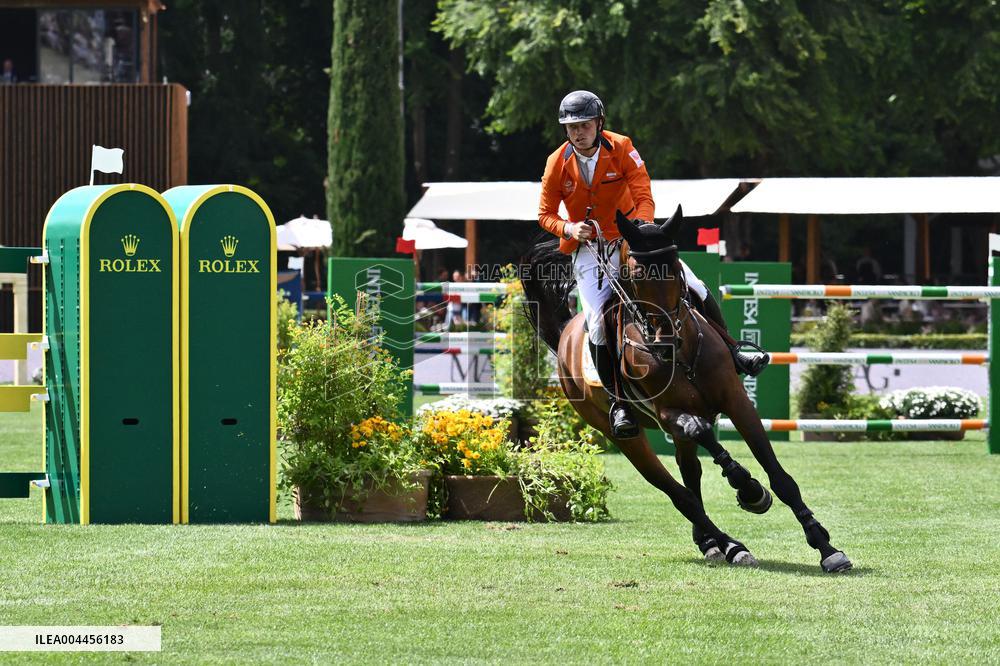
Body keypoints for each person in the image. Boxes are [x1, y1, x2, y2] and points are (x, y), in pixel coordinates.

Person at [538, 90, 766, 438]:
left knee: (696, 286)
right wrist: (569, 227)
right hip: (588, 248)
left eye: (583, 125)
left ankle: (735, 352)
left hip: (634, 240)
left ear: (599, 123)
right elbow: (545, 214)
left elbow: (643, 192)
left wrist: (642, 231)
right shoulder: (557, 161)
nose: (577, 132)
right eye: (571, 127)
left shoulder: (623, 146)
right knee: (598, 323)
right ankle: (618, 403)